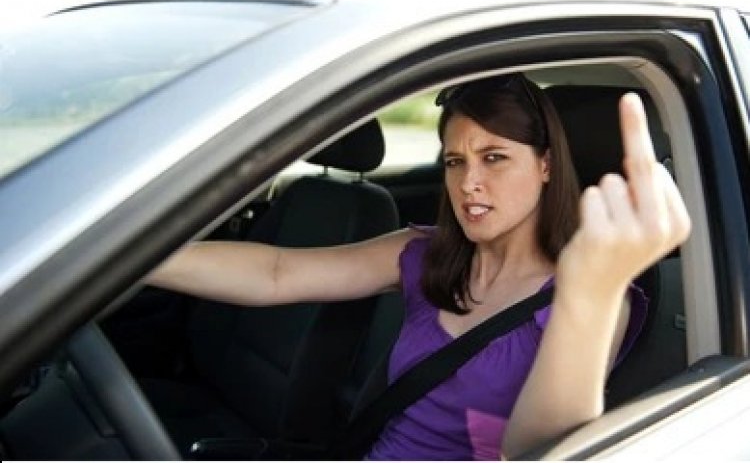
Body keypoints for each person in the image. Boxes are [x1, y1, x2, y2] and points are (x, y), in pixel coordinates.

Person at [147, 74, 691, 460]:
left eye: (494, 157)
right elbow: (277, 274)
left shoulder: (593, 296)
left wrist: (590, 290)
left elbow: (530, 452)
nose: (468, 183)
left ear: (546, 164)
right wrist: (143, 260)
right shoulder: (427, 254)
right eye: (456, 161)